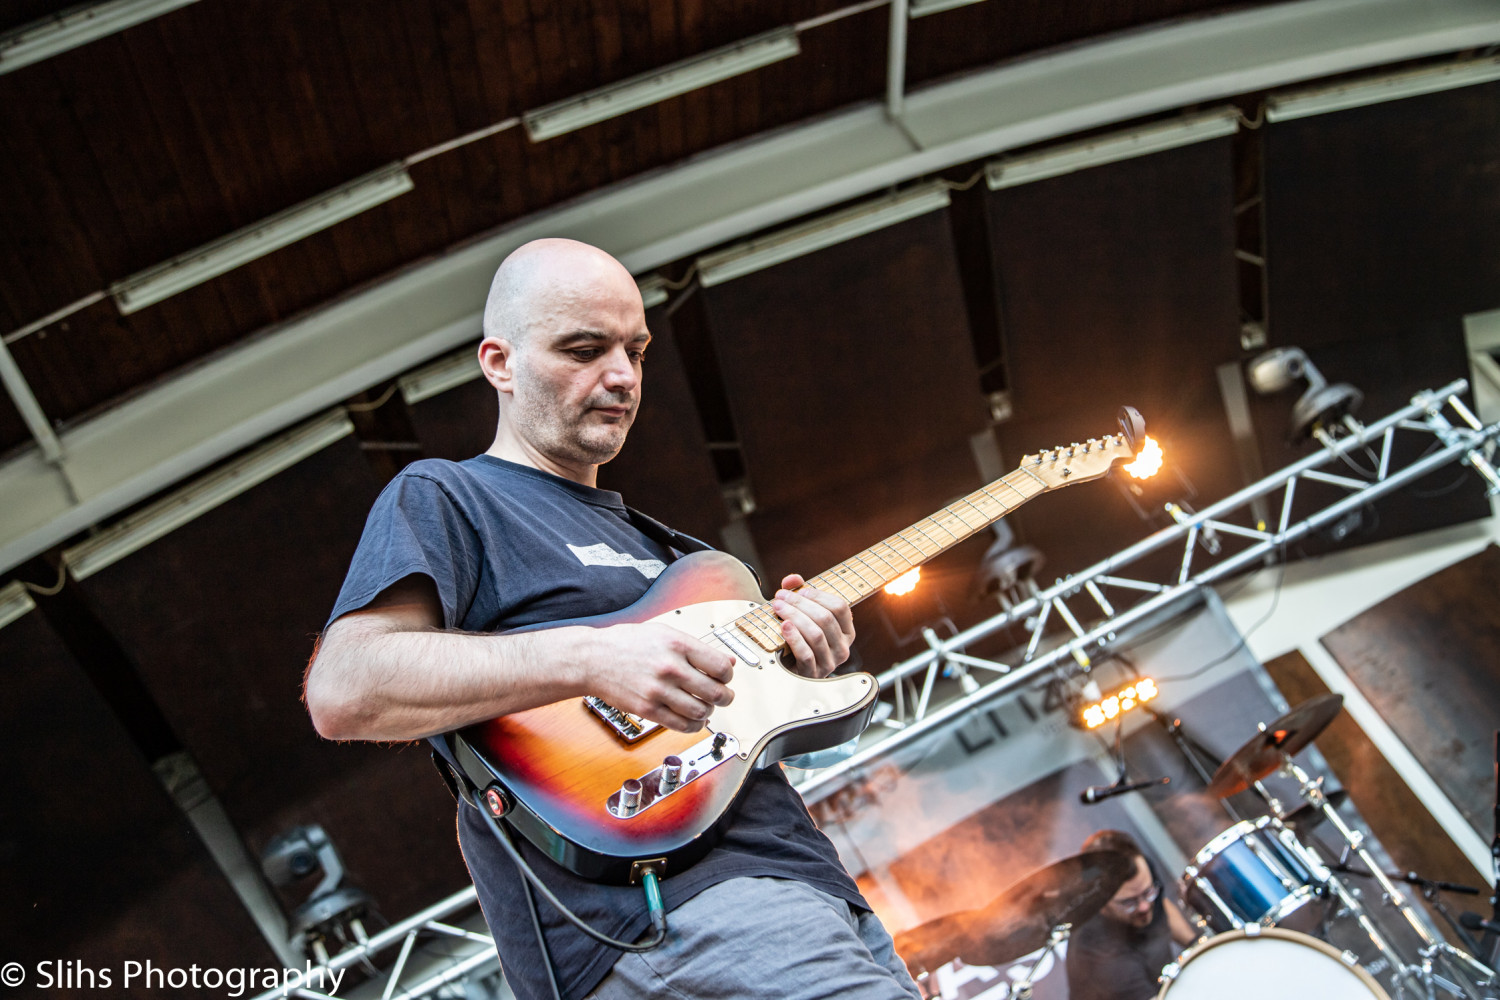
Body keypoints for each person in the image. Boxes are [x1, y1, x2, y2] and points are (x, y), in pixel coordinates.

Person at [304, 238, 921, 1000]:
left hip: (809, 884)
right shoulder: (446, 496)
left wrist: (805, 663)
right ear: (500, 363)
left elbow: (744, 742)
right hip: (661, 917)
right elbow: (344, 688)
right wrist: (594, 658)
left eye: (635, 349)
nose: (623, 377)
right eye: (585, 349)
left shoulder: (677, 553)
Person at [1065, 830, 1198, 1000]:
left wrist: (1195, 946)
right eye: (1129, 902)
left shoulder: (1140, 873)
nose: (1144, 907)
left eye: (1148, 893)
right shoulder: (1096, 954)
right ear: (1100, 900)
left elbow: (1160, 905)